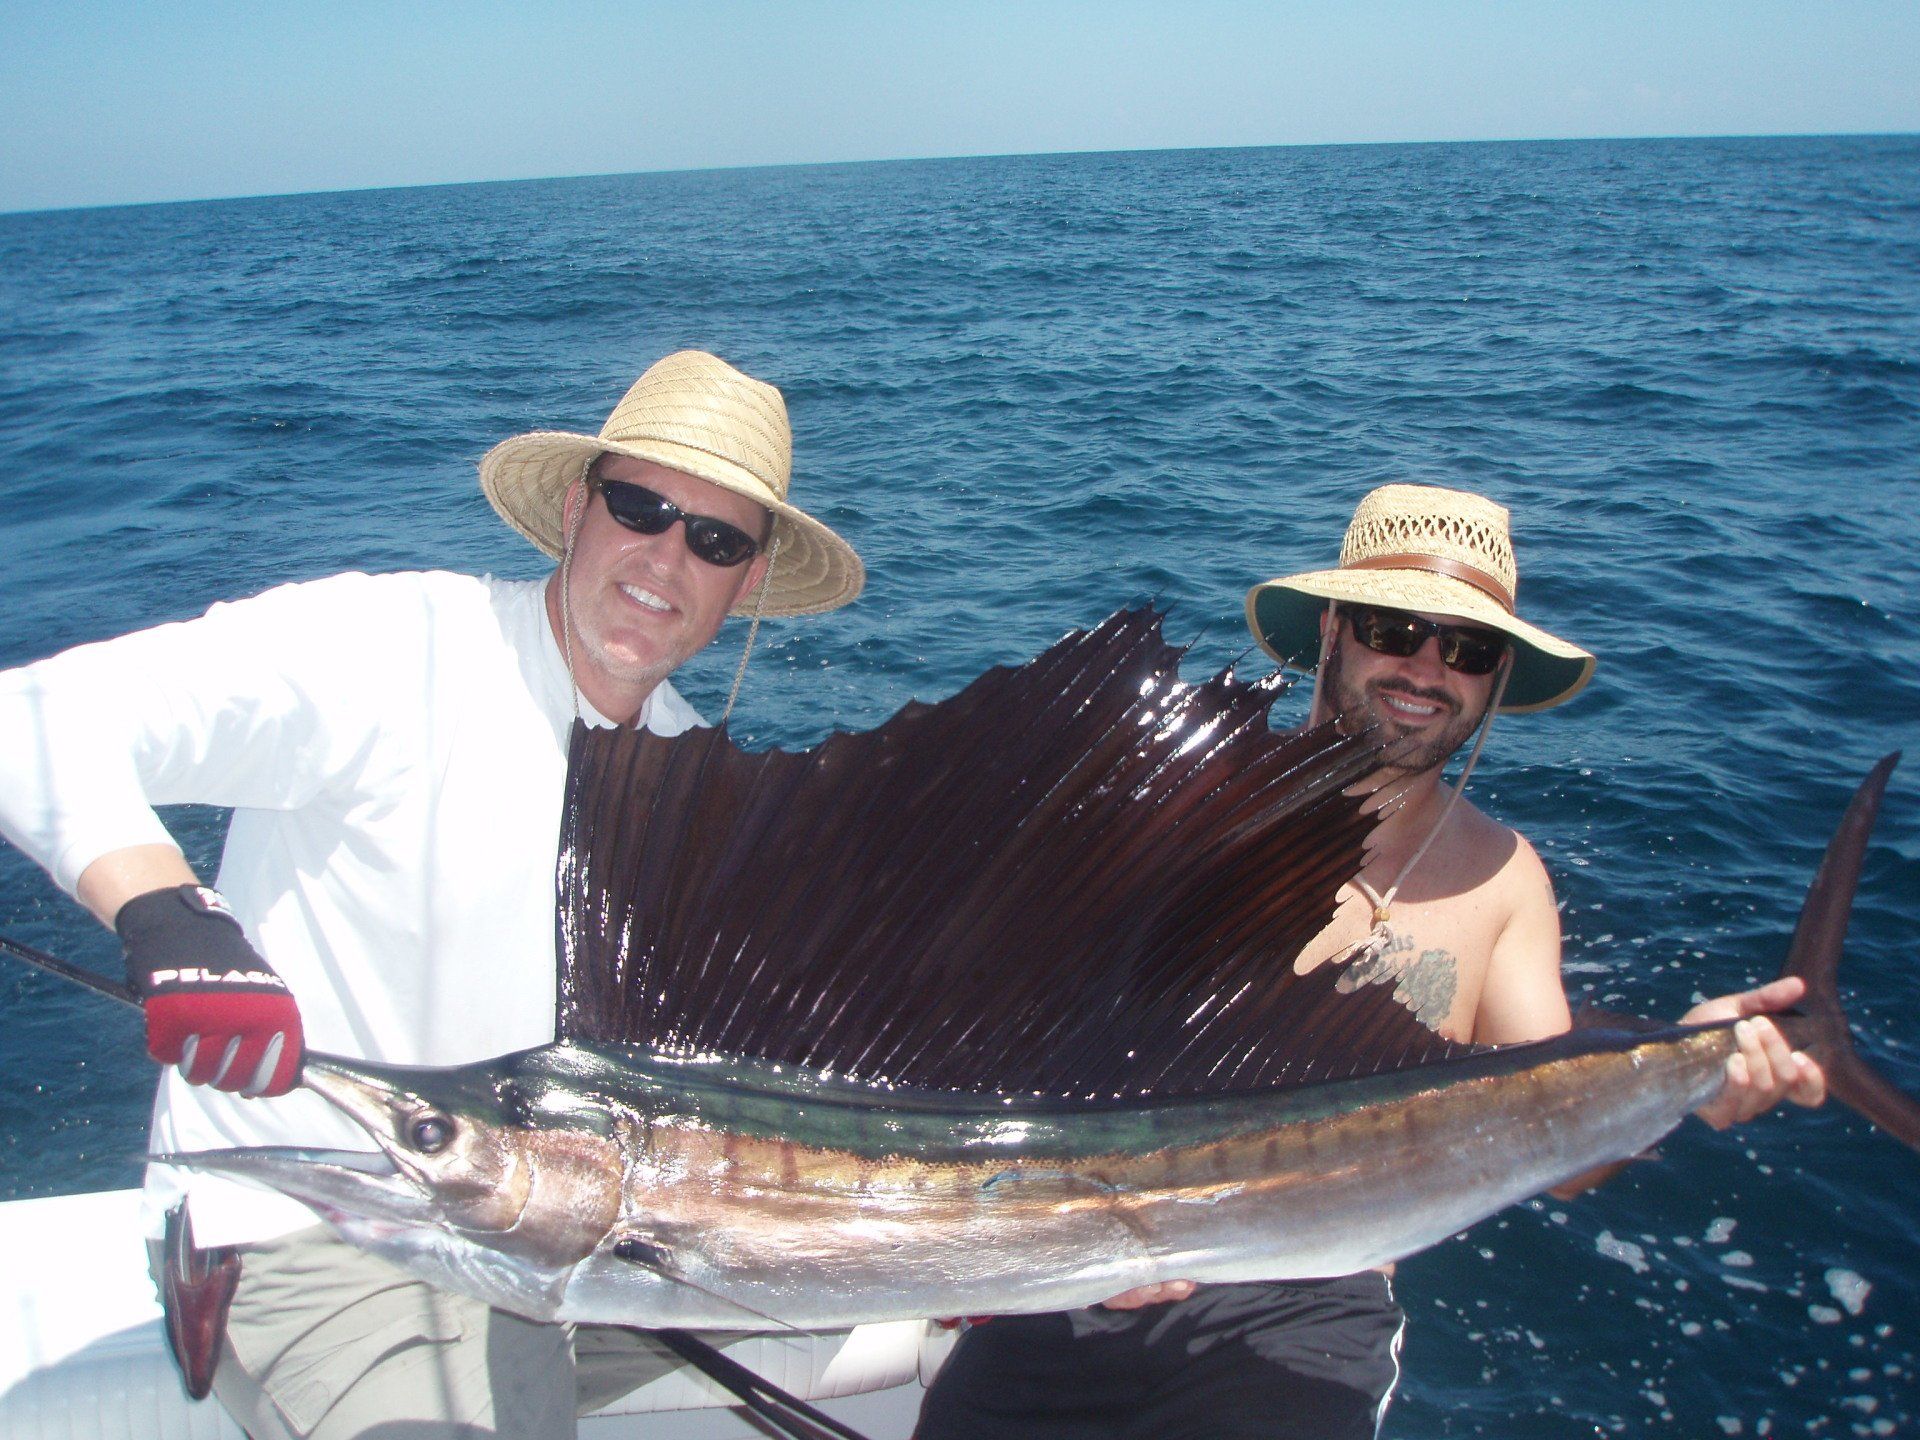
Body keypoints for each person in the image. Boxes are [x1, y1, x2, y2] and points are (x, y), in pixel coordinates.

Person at [0, 350, 864, 1438]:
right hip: (327, 1222)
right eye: (640, 506)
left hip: (593, 1228)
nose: (665, 558)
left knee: (948, 1306)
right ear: (571, 509)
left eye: (715, 539)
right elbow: (27, 719)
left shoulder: (699, 788)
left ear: (746, 582)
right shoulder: (390, 646)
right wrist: (168, 913)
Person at [914, 482, 1826, 1440]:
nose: (1427, 668)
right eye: (1396, 628)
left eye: (1467, 650)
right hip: (1074, 1261)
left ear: (1493, 680)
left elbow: (1555, 1150)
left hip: (1304, 1310)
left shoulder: (1506, 881)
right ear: (1337, 632)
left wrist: (1690, 1067)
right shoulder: (1179, 815)